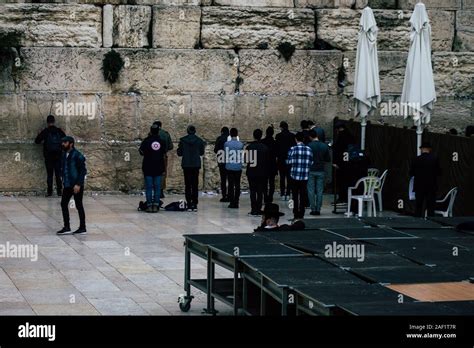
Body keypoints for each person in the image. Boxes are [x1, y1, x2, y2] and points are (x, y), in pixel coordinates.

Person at [57, 136, 87, 235]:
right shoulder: (64, 154)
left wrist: (78, 184)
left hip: (76, 185)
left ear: (71, 144)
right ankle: (67, 227)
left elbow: (83, 171)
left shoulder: (78, 155)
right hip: (67, 184)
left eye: (65, 142)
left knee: (78, 205)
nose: (63, 144)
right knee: (63, 203)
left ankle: (82, 227)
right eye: (62, 142)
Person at [35, 115, 66, 197]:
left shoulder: (45, 131)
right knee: (58, 174)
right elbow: (66, 140)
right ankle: (59, 192)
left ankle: (49, 192)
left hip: (48, 156)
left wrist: (39, 134)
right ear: (54, 121)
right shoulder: (59, 131)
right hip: (58, 156)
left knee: (50, 174)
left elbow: (37, 141)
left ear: (47, 122)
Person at [177, 125, 205, 212]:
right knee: (195, 184)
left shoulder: (183, 140)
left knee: (188, 185)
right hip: (195, 164)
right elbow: (201, 152)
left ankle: (189, 203)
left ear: (187, 131)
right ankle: (195, 204)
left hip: (186, 165)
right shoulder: (199, 141)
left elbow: (179, 153)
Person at [409, 142, 442, 217]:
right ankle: (431, 221)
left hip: (419, 185)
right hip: (431, 185)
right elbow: (439, 172)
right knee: (431, 206)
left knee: (418, 205)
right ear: (430, 149)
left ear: (421, 149)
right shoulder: (435, 159)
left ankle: (417, 220)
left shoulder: (416, 159)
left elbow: (411, 173)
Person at [139, 124, 166, 212]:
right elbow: (164, 153)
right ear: (158, 131)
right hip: (158, 166)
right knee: (157, 187)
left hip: (148, 166)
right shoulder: (161, 141)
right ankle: (156, 205)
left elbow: (141, 151)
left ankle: (149, 205)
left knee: (149, 187)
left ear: (150, 131)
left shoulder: (146, 141)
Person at [287, 132, 313, 220]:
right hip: (305, 176)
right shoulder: (309, 149)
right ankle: (301, 213)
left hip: (294, 175)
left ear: (296, 139)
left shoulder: (293, 149)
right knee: (302, 195)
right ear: (304, 139)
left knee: (295, 195)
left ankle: (295, 213)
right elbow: (311, 162)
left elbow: (289, 162)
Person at [307, 129, 330, 216]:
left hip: (311, 169)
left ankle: (313, 209)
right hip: (321, 169)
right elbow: (328, 159)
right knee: (320, 191)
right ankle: (318, 209)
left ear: (310, 137)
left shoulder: (309, 145)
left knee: (311, 190)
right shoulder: (324, 146)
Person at [246, 129, 269, 216]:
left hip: (251, 172)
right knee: (260, 191)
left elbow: (246, 160)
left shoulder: (249, 147)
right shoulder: (265, 148)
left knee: (252, 191)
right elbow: (267, 161)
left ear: (253, 136)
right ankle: (259, 208)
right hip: (262, 172)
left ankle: (253, 209)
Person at [332, 122, 356, 203]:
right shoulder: (351, 136)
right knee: (348, 181)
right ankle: (347, 198)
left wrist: (336, 163)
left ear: (338, 129)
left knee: (341, 181)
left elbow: (338, 149)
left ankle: (342, 197)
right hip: (350, 162)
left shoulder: (341, 137)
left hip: (341, 163)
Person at [275, 121, 295, 201]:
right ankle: (288, 193)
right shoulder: (292, 136)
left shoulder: (278, 136)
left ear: (281, 127)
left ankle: (283, 193)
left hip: (281, 159)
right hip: (289, 159)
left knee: (282, 177)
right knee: (289, 177)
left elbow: (276, 148)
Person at [153, 121, 173, 199]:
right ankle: (160, 191)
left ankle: (155, 190)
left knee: (153, 172)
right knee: (162, 173)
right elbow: (171, 146)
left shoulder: (152, 134)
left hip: (153, 156)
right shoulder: (165, 134)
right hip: (163, 156)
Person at [224, 128, 244, 209]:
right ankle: (236, 201)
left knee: (231, 185)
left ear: (230, 134)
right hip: (238, 166)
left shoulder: (226, 144)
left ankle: (232, 202)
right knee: (237, 184)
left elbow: (225, 154)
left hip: (229, 166)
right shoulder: (241, 144)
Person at [261, 126, 278, 204]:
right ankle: (270, 198)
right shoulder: (275, 142)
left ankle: (265, 197)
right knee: (272, 183)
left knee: (264, 183)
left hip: (264, 165)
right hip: (272, 165)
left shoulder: (262, 142)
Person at [214, 127, 230, 202]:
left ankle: (224, 196)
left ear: (222, 132)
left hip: (222, 160)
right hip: (230, 160)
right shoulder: (231, 139)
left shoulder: (219, 138)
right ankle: (230, 195)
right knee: (230, 179)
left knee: (223, 179)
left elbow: (215, 150)